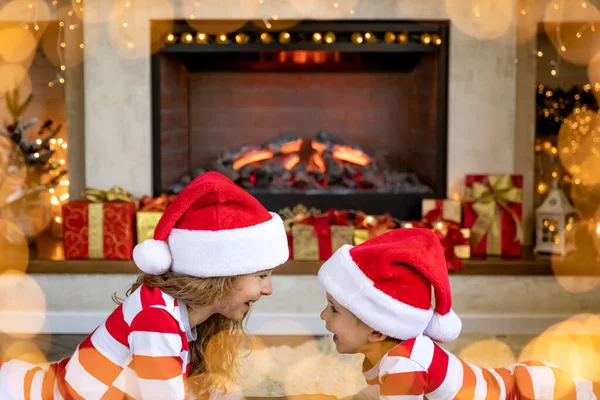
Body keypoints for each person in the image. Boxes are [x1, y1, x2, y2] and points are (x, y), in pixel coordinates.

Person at [0, 171, 290, 400]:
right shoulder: (156, 317)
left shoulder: (180, 314)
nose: (268, 289)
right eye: (261, 276)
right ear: (222, 275)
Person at [317, 228, 600, 399]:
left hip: (532, 392)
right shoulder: (393, 355)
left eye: (334, 309)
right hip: (517, 382)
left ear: (377, 330)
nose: (322, 316)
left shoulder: (404, 364)